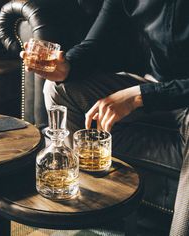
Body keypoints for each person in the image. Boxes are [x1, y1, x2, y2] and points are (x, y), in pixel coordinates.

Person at [20, 0, 189, 235]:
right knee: (57, 88)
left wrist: (140, 96)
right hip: (155, 84)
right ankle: (90, 215)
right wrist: (66, 67)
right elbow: (98, 43)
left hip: (177, 96)